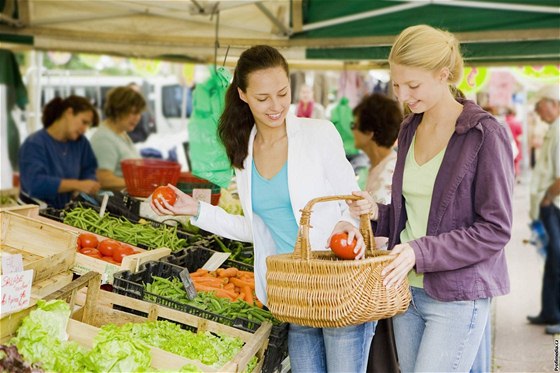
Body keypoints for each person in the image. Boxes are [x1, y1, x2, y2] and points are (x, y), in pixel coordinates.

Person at [151, 45, 375, 373]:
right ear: (242, 95)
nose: (275, 106)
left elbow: (352, 203)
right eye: (263, 98)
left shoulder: (318, 134)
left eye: (282, 93)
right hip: (290, 293)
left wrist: (347, 223)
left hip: (336, 287)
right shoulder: (244, 151)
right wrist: (195, 210)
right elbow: (254, 228)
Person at [348, 24, 514, 372]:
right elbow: (419, 213)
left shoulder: (485, 134)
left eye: (413, 85)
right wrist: (376, 212)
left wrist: (419, 251)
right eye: (396, 85)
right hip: (407, 292)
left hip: (457, 295)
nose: (403, 96)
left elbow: (495, 229)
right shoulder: (410, 128)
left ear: (443, 76)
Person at [352, 93, 402, 373]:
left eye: (355, 124)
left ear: (369, 132)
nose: (352, 130)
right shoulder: (376, 168)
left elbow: (382, 238)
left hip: (383, 280)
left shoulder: (389, 172)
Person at [18, 96, 101, 209]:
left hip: (67, 213)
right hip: (35, 216)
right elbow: (35, 184)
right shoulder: (34, 144)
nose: (85, 129)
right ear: (69, 112)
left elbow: (89, 169)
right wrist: (77, 185)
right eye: (84, 122)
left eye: (88, 125)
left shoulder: (81, 143)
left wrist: (87, 186)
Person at [526, 87, 560, 335]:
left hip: (555, 206)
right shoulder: (553, 129)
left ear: (554, 104)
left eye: (541, 105)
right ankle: (549, 311)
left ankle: (556, 314)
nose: (538, 111)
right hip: (549, 206)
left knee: (557, 260)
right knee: (550, 259)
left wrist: (548, 197)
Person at [90, 86, 146, 191]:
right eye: (133, 112)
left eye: (139, 113)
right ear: (118, 110)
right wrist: (139, 184)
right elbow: (103, 179)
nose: (138, 117)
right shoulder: (104, 139)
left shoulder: (121, 133)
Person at [505, 107, 523, 178]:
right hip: (516, 145)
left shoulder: (503, 122)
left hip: (506, 145)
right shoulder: (516, 122)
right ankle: (516, 176)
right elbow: (520, 136)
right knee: (516, 163)